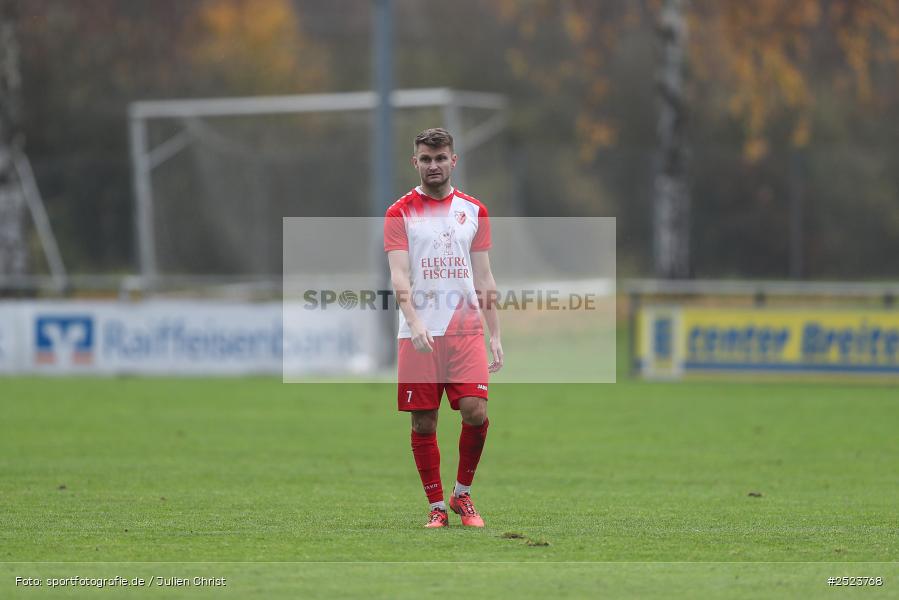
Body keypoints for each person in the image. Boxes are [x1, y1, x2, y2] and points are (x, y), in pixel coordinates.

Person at [384, 128, 503, 528]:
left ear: (453, 160)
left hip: (465, 328)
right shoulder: (399, 212)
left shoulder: (474, 210)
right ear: (414, 162)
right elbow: (399, 277)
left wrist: (496, 333)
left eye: (440, 158)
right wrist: (414, 323)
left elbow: (484, 277)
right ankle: (436, 506)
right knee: (424, 423)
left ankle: (462, 496)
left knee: (475, 411)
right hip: (418, 334)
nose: (432, 165)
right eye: (425, 158)